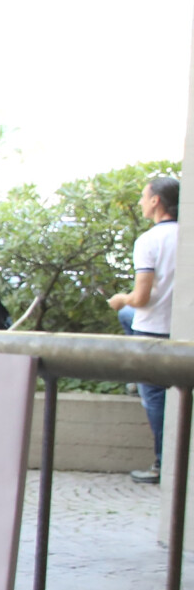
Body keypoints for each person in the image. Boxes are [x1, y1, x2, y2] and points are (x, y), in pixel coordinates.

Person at [110, 174, 179, 485]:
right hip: (181, 332)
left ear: (156, 201)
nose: (140, 202)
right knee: (128, 317)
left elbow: (140, 298)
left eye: (143, 196)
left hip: (153, 331)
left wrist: (119, 299)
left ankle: (164, 466)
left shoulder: (149, 241)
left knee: (156, 400)